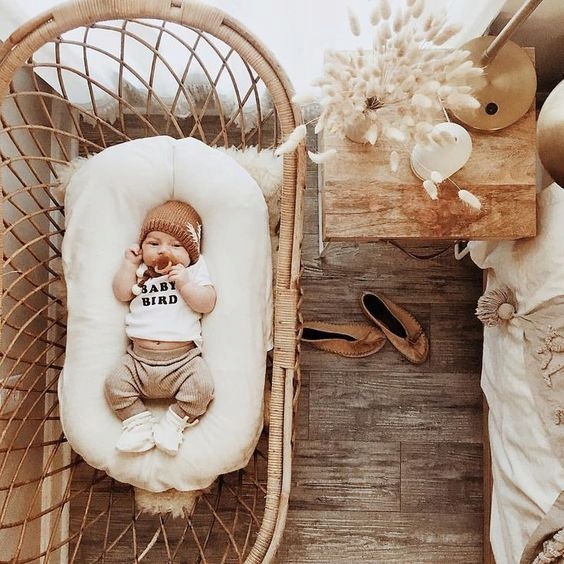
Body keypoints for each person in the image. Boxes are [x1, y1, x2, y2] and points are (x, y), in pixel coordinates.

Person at [104, 200, 216, 456]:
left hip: (183, 362)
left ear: (191, 253)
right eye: (154, 243)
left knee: (202, 388)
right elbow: (122, 293)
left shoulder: (193, 270)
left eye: (176, 245)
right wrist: (129, 265)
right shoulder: (141, 270)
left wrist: (185, 285)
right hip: (137, 361)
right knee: (113, 384)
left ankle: (174, 423)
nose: (164, 250)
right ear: (142, 247)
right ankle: (138, 423)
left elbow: (207, 302)